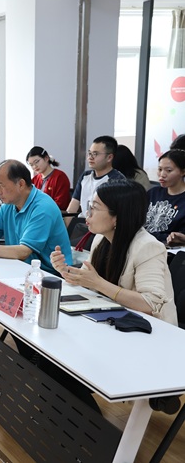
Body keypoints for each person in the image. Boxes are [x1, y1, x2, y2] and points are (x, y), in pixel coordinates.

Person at [51, 179, 178, 413]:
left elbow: (150, 304)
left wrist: (98, 283)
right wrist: (65, 271)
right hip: (114, 325)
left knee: (63, 366)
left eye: (94, 207)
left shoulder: (148, 247)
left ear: (117, 217)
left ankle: (83, 425)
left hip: (149, 337)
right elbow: (90, 284)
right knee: (54, 357)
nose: (87, 214)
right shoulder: (101, 239)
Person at [66, 135, 125, 217]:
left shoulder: (117, 180)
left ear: (109, 157)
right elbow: (73, 207)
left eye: (95, 154)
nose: (90, 157)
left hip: (102, 224)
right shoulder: (85, 176)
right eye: (90, 153)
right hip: (82, 221)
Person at [146, 149, 185, 245]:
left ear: (183, 172)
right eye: (160, 169)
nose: (162, 175)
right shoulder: (153, 193)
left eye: (169, 170)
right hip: (144, 243)